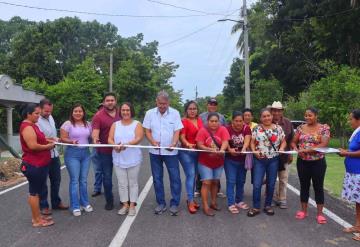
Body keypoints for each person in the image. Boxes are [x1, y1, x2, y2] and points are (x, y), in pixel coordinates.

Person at [143, 91, 183, 216]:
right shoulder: (149, 113)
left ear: (168, 103)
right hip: (154, 152)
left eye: (164, 104)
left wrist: (174, 142)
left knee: (175, 178)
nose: (162, 106)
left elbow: (177, 131)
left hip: (171, 152)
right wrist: (152, 141)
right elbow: (147, 131)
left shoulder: (175, 113)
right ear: (156, 102)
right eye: (160, 104)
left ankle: (175, 203)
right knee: (157, 178)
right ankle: (161, 203)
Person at [291, 107, 330, 224]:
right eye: (306, 115)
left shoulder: (324, 128)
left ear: (316, 116)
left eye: (310, 115)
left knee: (318, 186)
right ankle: (303, 211)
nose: (307, 117)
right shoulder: (300, 128)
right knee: (304, 186)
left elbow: (324, 144)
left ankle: (320, 214)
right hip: (302, 162)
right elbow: (293, 142)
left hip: (318, 162)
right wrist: (296, 149)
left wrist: (308, 150)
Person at [19, 103, 55, 227]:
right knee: (34, 192)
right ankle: (37, 220)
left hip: (39, 164)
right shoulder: (27, 127)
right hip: (34, 164)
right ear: (28, 114)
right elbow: (33, 146)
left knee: (36, 191)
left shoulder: (32, 125)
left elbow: (40, 139)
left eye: (39, 113)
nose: (39, 116)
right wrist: (48, 146)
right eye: (36, 114)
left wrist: (51, 140)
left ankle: (38, 217)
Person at [248, 108, 286, 217]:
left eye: (268, 115)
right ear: (260, 118)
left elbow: (283, 141)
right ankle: (255, 207)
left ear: (272, 116)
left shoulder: (278, 128)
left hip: (273, 159)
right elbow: (252, 143)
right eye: (264, 116)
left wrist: (282, 148)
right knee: (257, 184)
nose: (266, 118)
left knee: (271, 183)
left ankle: (268, 205)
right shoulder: (256, 128)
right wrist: (255, 152)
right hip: (259, 160)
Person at [108, 102, 144, 216]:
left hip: (133, 158)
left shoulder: (137, 124)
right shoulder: (115, 124)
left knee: (132, 183)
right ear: (120, 111)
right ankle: (125, 205)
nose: (125, 112)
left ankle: (132, 205)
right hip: (118, 157)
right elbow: (110, 138)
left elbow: (138, 138)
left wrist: (126, 144)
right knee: (122, 183)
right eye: (123, 110)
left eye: (127, 110)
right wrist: (115, 145)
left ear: (131, 111)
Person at [60, 104, 93, 216]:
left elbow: (91, 137)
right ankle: (75, 206)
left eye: (80, 111)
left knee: (83, 180)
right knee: (74, 180)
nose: (78, 113)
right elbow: (63, 138)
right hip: (72, 154)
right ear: (72, 112)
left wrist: (96, 141)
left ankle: (85, 203)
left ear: (83, 113)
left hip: (86, 154)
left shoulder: (88, 124)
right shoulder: (67, 124)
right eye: (75, 111)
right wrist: (71, 142)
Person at [37, 99, 68, 215]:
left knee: (56, 180)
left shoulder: (50, 117)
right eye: (46, 111)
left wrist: (56, 139)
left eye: (50, 111)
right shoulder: (36, 121)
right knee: (42, 182)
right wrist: (53, 140)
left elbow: (52, 134)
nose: (48, 113)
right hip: (43, 154)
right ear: (40, 109)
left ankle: (56, 202)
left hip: (54, 154)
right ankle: (43, 206)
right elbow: (39, 138)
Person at [196, 112, 230, 216]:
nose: (214, 123)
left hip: (218, 161)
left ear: (219, 122)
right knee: (206, 183)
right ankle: (205, 206)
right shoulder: (203, 130)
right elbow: (199, 144)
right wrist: (209, 149)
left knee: (215, 182)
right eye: (212, 121)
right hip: (205, 162)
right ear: (208, 121)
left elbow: (225, 141)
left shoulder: (223, 129)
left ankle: (213, 202)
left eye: (216, 121)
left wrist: (222, 149)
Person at [92, 93, 120, 210]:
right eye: (107, 100)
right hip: (105, 152)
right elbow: (95, 132)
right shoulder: (98, 116)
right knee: (107, 177)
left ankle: (127, 200)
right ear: (104, 102)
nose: (110, 102)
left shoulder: (122, 113)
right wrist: (95, 139)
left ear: (115, 101)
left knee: (124, 177)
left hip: (121, 150)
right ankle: (109, 200)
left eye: (112, 100)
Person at [178, 100, 203, 214]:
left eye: (194, 109)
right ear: (186, 110)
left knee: (195, 176)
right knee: (191, 175)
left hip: (198, 152)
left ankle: (190, 198)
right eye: (190, 109)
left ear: (197, 110)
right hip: (186, 152)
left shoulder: (200, 120)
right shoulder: (184, 121)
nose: (192, 111)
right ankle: (190, 201)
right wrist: (187, 144)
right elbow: (181, 137)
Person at [339, 109, 360, 241]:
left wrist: (346, 153)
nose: (349, 121)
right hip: (353, 171)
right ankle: (358, 226)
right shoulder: (357, 132)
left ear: (358, 119)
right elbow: (354, 149)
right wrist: (345, 151)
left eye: (351, 118)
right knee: (358, 201)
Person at [199, 98, 226, 198]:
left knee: (216, 173)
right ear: (207, 105)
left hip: (218, 147)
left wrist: (223, 147)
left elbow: (225, 131)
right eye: (211, 104)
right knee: (203, 171)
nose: (212, 106)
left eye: (214, 104)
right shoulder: (201, 116)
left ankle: (217, 191)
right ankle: (199, 189)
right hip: (204, 146)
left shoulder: (222, 117)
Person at [225, 111, 251, 214]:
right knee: (231, 181)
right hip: (230, 159)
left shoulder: (246, 128)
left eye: (241, 121)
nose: (239, 123)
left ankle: (239, 201)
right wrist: (229, 149)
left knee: (241, 181)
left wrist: (244, 148)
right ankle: (231, 203)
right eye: (236, 121)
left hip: (242, 159)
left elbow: (247, 140)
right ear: (232, 121)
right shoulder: (227, 129)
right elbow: (225, 141)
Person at [270, 101, 294, 209]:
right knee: (271, 178)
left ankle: (282, 199)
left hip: (284, 155)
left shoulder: (288, 123)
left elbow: (291, 139)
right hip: (270, 156)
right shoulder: (267, 121)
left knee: (283, 179)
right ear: (271, 111)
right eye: (274, 110)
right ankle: (271, 198)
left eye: (278, 110)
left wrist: (291, 153)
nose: (276, 113)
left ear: (282, 111)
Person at [92, 103, 103, 197]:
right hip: (97, 149)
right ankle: (97, 188)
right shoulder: (95, 119)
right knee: (98, 170)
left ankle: (108, 188)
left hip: (110, 148)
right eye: (100, 109)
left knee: (108, 171)